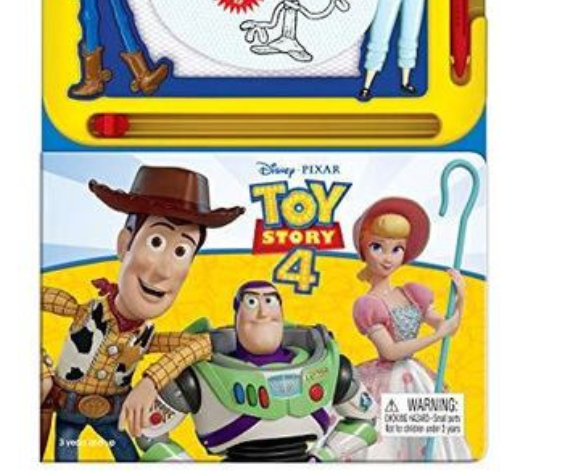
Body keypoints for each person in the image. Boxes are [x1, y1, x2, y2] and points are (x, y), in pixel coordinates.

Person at [40, 166, 245, 461]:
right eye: (156, 242)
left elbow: (203, 344)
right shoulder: (83, 312)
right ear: (125, 244)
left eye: (181, 252)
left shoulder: (146, 337)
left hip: (115, 416)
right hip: (68, 412)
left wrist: (151, 381)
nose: (163, 271)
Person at [133, 280, 378, 462]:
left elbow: (366, 419)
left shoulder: (329, 366)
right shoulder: (199, 376)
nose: (263, 312)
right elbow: (148, 435)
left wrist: (327, 455)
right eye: (252, 302)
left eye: (270, 301)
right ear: (237, 313)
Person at [351, 197, 470, 460]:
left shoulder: (412, 293)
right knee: (385, 442)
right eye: (377, 247)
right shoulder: (367, 305)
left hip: (416, 377)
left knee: (427, 440)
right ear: (363, 249)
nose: (387, 258)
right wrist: (436, 335)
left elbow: (448, 326)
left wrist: (461, 298)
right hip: (387, 380)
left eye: (397, 249)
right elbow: (390, 351)